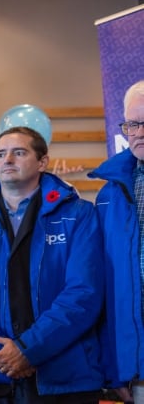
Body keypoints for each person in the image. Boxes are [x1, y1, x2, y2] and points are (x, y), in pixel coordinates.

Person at [0, 126, 103, 402]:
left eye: (19, 153)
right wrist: (3, 355)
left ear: (42, 162)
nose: (7, 160)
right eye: (0, 154)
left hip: (65, 374)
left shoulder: (79, 215)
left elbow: (83, 294)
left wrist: (28, 349)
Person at [89, 79, 144, 403]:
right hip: (138, 362)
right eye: (132, 123)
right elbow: (104, 287)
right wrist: (115, 366)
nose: (137, 132)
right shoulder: (109, 194)